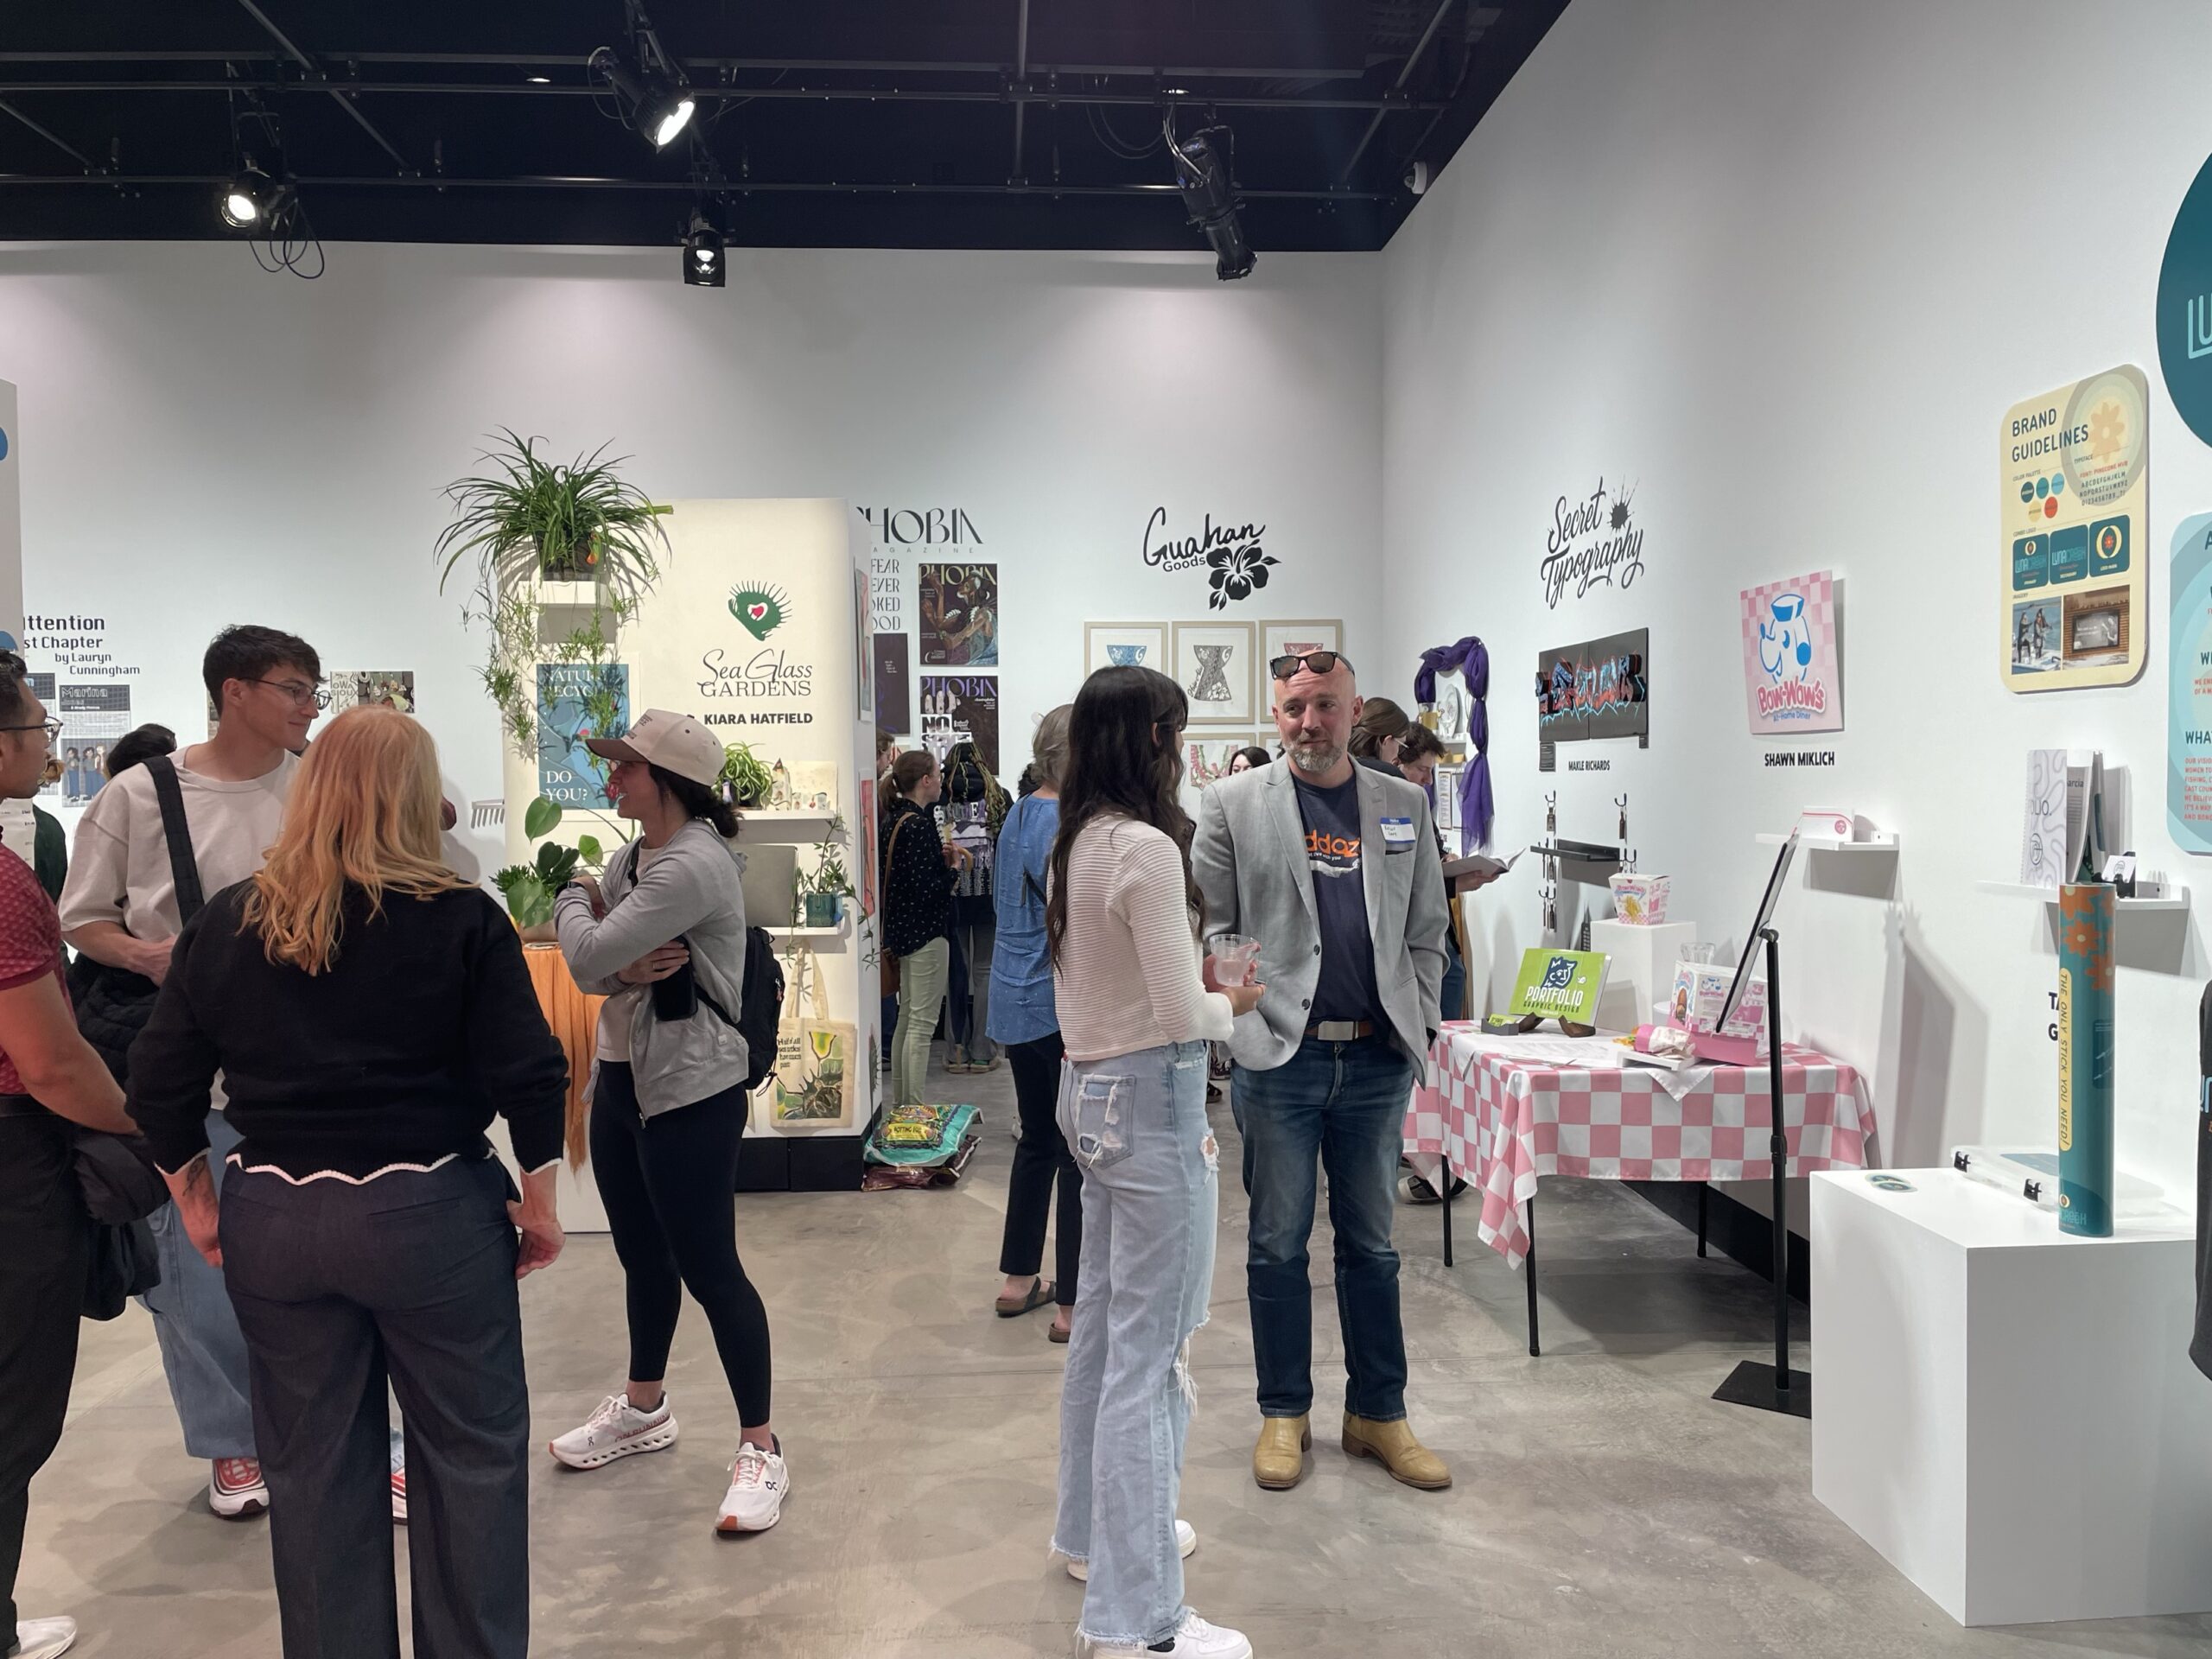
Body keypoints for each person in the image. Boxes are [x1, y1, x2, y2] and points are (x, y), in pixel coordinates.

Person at [127, 706, 567, 1659]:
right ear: (417, 800)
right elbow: (529, 1072)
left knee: (311, 1469)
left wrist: (197, 1198)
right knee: (470, 1458)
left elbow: (156, 1082)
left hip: (275, 1215)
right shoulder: (461, 919)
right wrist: (540, 1199)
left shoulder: (229, 919)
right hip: (429, 1212)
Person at [60, 624, 324, 1519]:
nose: (309, 705)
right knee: (197, 1274)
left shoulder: (319, 787)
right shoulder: (140, 796)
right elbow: (83, 919)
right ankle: (232, 1440)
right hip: (189, 1069)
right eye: (294, 687)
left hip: (309, 1071)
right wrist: (152, 958)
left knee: (326, 1264)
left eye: (313, 689)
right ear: (235, 691)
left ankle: (335, 1432)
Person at [1192, 648, 1451, 1496]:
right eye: (1295, 707)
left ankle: (1379, 1412)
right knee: (1275, 1245)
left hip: (1376, 1059)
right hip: (1280, 1061)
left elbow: (1424, 929)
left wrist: (1415, 1014)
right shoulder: (1231, 804)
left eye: (1325, 707)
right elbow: (1216, 927)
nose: (1309, 723)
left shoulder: (1402, 800)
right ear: (1277, 713)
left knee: (1372, 1247)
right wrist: (1243, 1023)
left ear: (1353, 709)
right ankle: (1284, 1412)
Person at [1048, 664, 1263, 1659]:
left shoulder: (1079, 841)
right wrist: (1235, 1005)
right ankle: (1143, 1624)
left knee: (1104, 1329)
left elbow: (1127, 985)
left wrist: (1197, 991)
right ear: (1151, 739)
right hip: (1148, 1100)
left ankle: (1098, 1539)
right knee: (1149, 1351)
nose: (1182, 749)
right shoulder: (1140, 846)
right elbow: (1185, 1016)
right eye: (1174, 732)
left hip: (1088, 1095)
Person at [549, 709, 788, 1534]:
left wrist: (572, 897)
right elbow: (599, 975)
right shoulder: (636, 854)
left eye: (627, 769)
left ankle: (762, 1445)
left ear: (670, 782)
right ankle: (644, 1408)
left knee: (710, 1267)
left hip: (690, 1087)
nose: (612, 780)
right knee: (642, 1256)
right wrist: (618, 967)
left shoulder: (688, 864)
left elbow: (576, 951)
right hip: (625, 1081)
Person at [0, 655, 137, 1659]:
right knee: (14, 1410)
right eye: (37, 726)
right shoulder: (6, 888)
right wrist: (146, 1127)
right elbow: (48, 1062)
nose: (49, 744)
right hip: (13, 1172)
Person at [988, 705, 1076, 1341]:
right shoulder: (1068, 825)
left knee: (1037, 1141)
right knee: (1075, 1149)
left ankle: (1018, 1279)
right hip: (1060, 1000)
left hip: (1013, 999)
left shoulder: (1018, 811)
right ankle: (1072, 1301)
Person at [880, 750, 965, 1105]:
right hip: (927, 934)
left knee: (907, 1021)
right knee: (921, 1024)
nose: (942, 780)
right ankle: (913, 1108)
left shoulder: (895, 820)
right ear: (926, 781)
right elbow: (930, 889)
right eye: (937, 773)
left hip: (902, 933)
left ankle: (904, 1106)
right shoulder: (919, 825)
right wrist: (955, 868)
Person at [943, 739, 1008, 1075]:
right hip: (987, 896)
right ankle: (983, 1052)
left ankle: (956, 1053)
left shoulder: (941, 796)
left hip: (950, 895)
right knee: (983, 973)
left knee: (955, 972)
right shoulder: (998, 797)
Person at [1347, 697, 1411, 772]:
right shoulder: (1389, 774)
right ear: (1386, 741)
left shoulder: (1338, 765)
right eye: (1400, 746)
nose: (1397, 755)